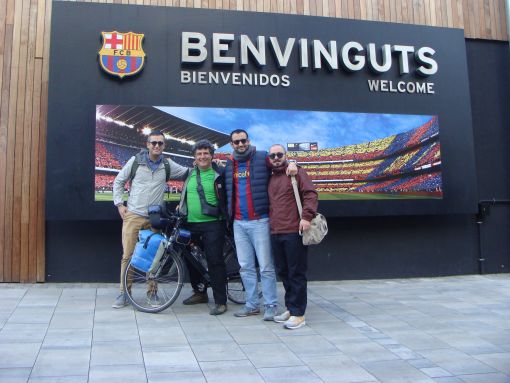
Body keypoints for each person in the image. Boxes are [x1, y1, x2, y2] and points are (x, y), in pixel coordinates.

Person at [224, 129, 297, 320]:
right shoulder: (230, 162)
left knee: (265, 267)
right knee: (246, 267)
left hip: (260, 221)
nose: (240, 144)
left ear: (248, 141)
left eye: (243, 141)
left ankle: (271, 305)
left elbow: (279, 162)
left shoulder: (262, 157)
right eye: (236, 142)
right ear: (231, 144)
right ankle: (251, 304)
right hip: (239, 223)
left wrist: (293, 163)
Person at [112, 131, 189, 308]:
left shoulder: (167, 164)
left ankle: (152, 293)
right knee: (128, 256)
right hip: (133, 215)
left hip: (155, 218)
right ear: (147, 144)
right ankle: (124, 293)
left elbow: (188, 172)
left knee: (155, 256)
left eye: (160, 143)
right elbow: (118, 181)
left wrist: (209, 164)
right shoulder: (135, 162)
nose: (156, 146)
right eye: (153, 143)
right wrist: (119, 204)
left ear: (164, 146)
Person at [267, 144, 318, 329]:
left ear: (285, 155)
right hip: (275, 231)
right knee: (284, 272)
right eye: (272, 155)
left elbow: (310, 195)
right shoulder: (271, 176)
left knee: (296, 273)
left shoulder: (296, 173)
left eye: (279, 154)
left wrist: (306, 217)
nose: (276, 157)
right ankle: (291, 307)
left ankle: (299, 314)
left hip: (293, 231)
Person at [178, 139, 229, 315]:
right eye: (199, 154)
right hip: (190, 223)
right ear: (194, 157)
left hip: (214, 224)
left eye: (206, 153)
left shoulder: (220, 172)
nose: (202, 156)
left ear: (212, 155)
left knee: (215, 261)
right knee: (191, 260)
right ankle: (199, 293)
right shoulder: (190, 174)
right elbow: (186, 194)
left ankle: (221, 301)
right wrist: (181, 206)